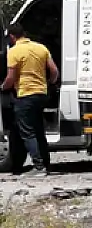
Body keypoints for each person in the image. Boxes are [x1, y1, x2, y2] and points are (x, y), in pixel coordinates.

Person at [2, 23, 59, 176]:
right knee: (39, 130)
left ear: (13, 37)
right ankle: (46, 164)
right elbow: (54, 71)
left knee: (27, 132)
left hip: (25, 94)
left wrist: (3, 87)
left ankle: (38, 167)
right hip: (41, 94)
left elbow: (11, 77)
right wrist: (49, 84)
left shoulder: (14, 51)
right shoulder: (41, 48)